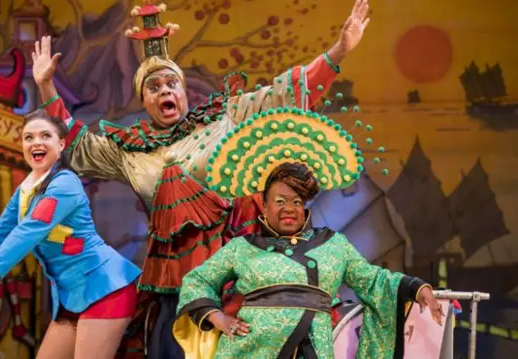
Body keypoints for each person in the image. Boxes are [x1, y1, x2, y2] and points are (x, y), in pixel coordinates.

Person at [31, 1, 372, 356]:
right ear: (144, 100)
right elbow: (77, 146)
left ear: (183, 92)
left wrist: (338, 52)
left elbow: (283, 95)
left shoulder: (223, 118)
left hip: (238, 268)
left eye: (171, 84)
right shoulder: (129, 150)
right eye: (154, 87)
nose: (165, 91)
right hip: (174, 278)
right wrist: (45, 87)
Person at [173, 162, 444, 359]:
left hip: (314, 347)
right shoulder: (242, 247)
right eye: (280, 201)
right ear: (264, 208)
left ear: (305, 209)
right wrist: (218, 318)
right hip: (249, 350)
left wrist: (417, 287)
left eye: (296, 202)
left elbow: (372, 279)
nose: (289, 208)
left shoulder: (333, 244)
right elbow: (197, 280)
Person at [0, 109, 142, 359]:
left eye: (45, 136)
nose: (36, 142)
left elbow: (29, 230)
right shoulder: (25, 191)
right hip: (70, 298)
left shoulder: (66, 183)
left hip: (105, 288)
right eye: (28, 137)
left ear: (61, 144)